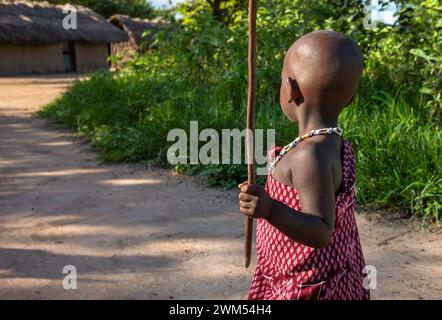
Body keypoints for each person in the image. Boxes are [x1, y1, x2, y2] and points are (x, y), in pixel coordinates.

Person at [238, 30, 370, 300]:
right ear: (351, 97)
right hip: (325, 273)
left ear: (291, 89)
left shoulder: (309, 156)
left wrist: (269, 208)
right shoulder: (332, 143)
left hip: (304, 285)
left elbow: (321, 230)